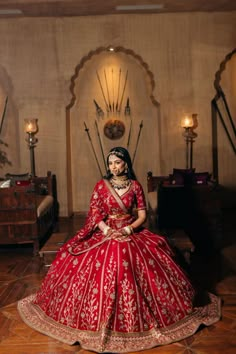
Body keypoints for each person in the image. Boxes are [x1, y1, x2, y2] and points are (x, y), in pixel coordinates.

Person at [18, 146, 221, 353]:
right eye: (110, 163)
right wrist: (107, 230)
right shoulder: (101, 186)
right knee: (103, 258)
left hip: (130, 231)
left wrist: (127, 229)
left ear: (126, 163)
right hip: (105, 232)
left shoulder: (135, 186)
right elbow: (96, 215)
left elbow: (141, 215)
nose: (113, 167)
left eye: (117, 162)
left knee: (136, 255)